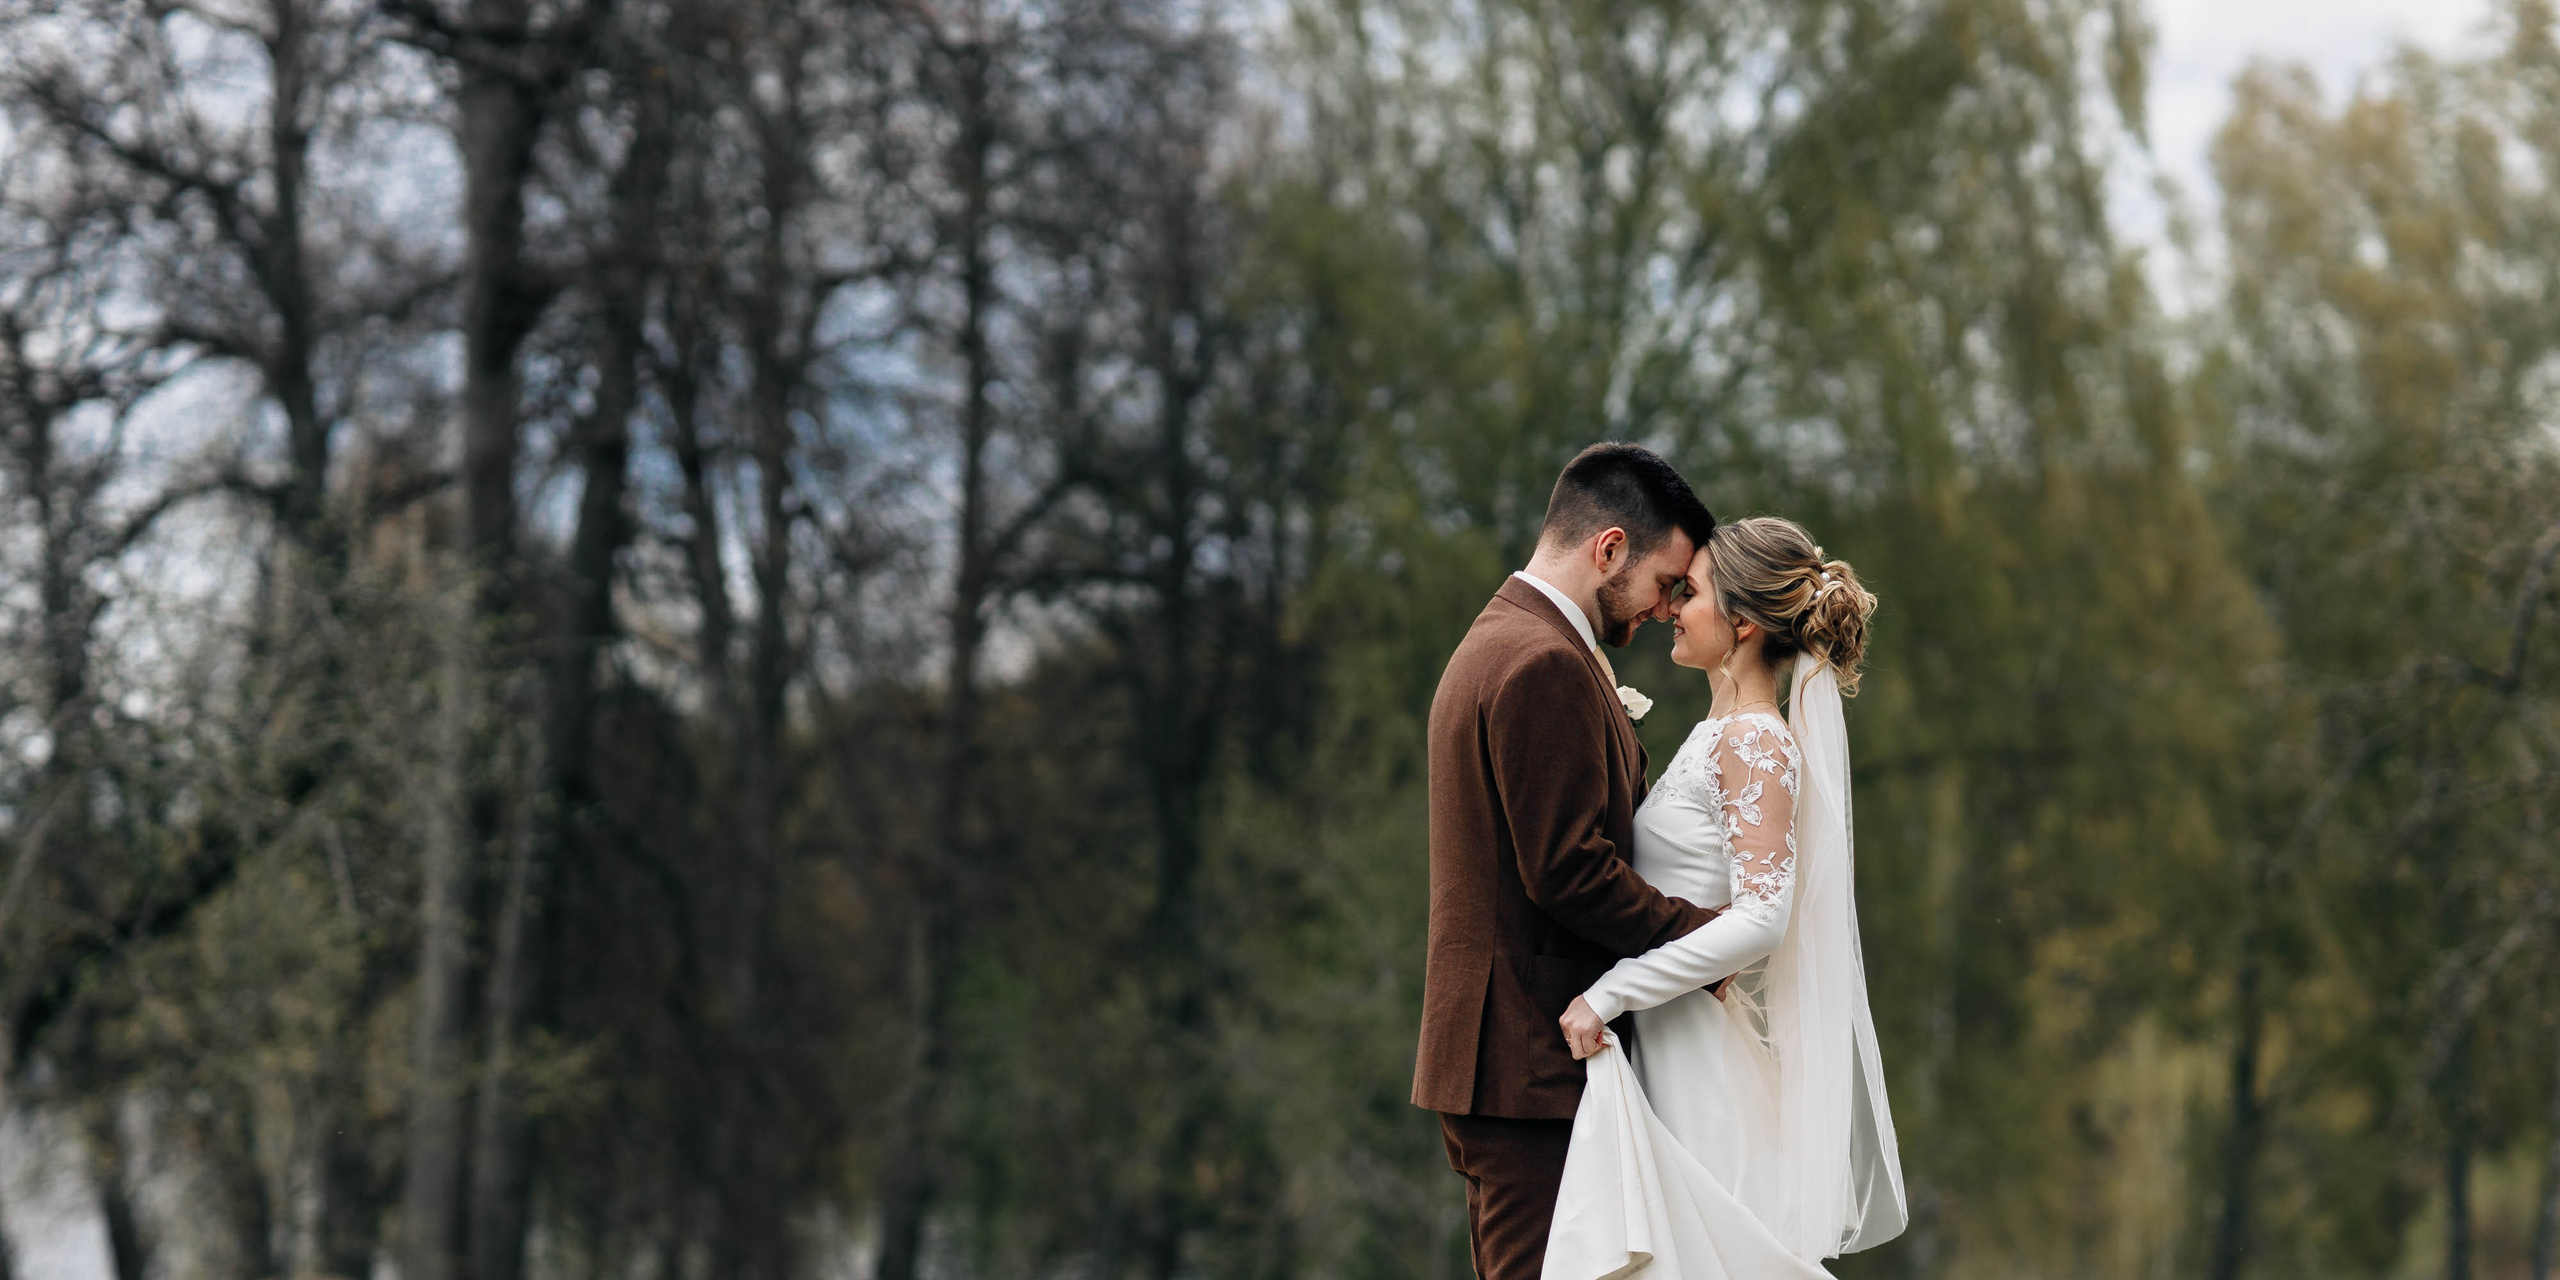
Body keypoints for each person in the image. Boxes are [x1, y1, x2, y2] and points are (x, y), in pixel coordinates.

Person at [1543, 516, 1906, 1279]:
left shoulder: (1754, 740)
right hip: (1667, 1049)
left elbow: (1763, 918)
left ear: (1741, 622)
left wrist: (1611, 993)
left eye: (1691, 592)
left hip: (1696, 1067)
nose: (1673, 606)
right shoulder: (1719, 731)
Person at [1414, 442, 1726, 1280]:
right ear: (1609, 549)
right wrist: (1709, 942)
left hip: (1513, 1057)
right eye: (1666, 584)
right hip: (1529, 1064)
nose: (1666, 609)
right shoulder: (1544, 661)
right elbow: (1568, 871)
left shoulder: (1506, 636)